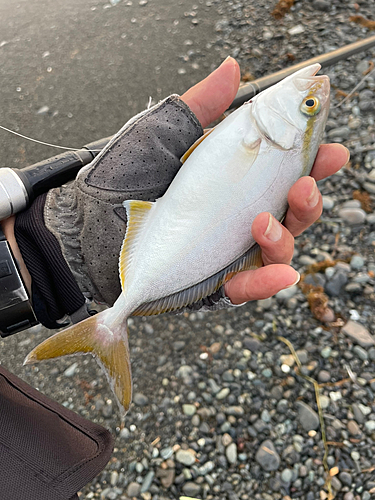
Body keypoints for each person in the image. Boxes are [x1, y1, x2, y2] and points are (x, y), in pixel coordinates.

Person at [0, 57, 349, 499]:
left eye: (308, 104)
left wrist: (54, 256)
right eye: (312, 103)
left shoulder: (265, 131)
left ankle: (108, 321)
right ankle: (109, 319)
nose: (311, 90)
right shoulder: (276, 137)